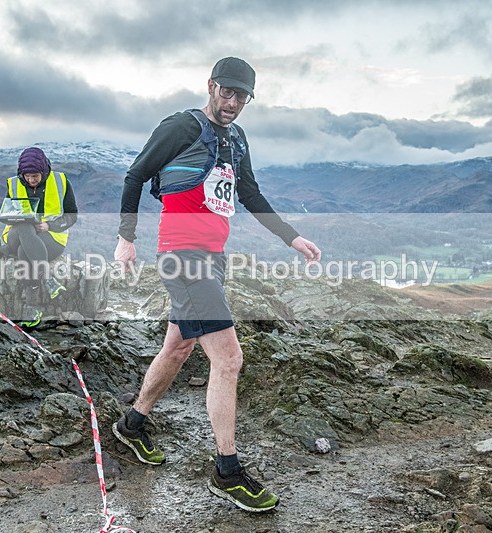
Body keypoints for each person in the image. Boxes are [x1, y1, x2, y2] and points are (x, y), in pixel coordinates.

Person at [112, 57, 321, 512]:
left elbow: (249, 193)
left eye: (242, 96)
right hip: (181, 256)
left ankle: (132, 425)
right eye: (227, 92)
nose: (233, 102)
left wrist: (291, 237)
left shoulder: (237, 139)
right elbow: (135, 174)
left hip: (213, 258)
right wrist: (126, 239)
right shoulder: (181, 127)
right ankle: (227, 472)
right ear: (211, 86)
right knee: (229, 359)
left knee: (178, 347)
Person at [1, 147, 78, 327]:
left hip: (50, 238)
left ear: (44, 171)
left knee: (24, 252)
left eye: (35, 176)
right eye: (27, 176)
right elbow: (7, 212)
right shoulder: (13, 184)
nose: (31, 180)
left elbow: (72, 215)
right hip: (15, 236)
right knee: (24, 226)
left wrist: (50, 226)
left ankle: (32, 308)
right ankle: (47, 278)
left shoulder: (61, 181)